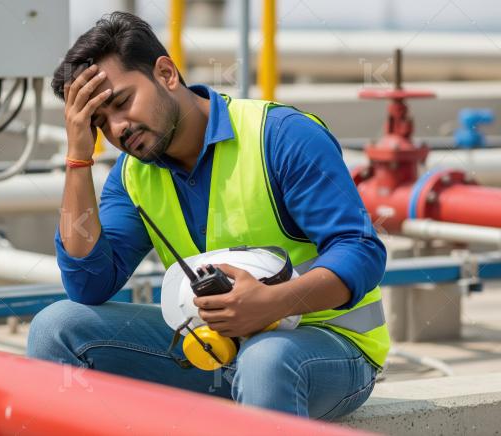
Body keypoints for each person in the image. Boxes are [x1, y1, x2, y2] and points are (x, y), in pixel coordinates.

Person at [27, 11, 389, 420]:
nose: (117, 128)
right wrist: (79, 157)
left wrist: (273, 302)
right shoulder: (132, 177)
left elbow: (361, 251)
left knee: (266, 361)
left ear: (165, 73)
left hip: (323, 346)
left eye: (122, 103)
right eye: (99, 123)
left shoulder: (281, 136)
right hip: (210, 349)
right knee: (56, 327)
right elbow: (88, 285)